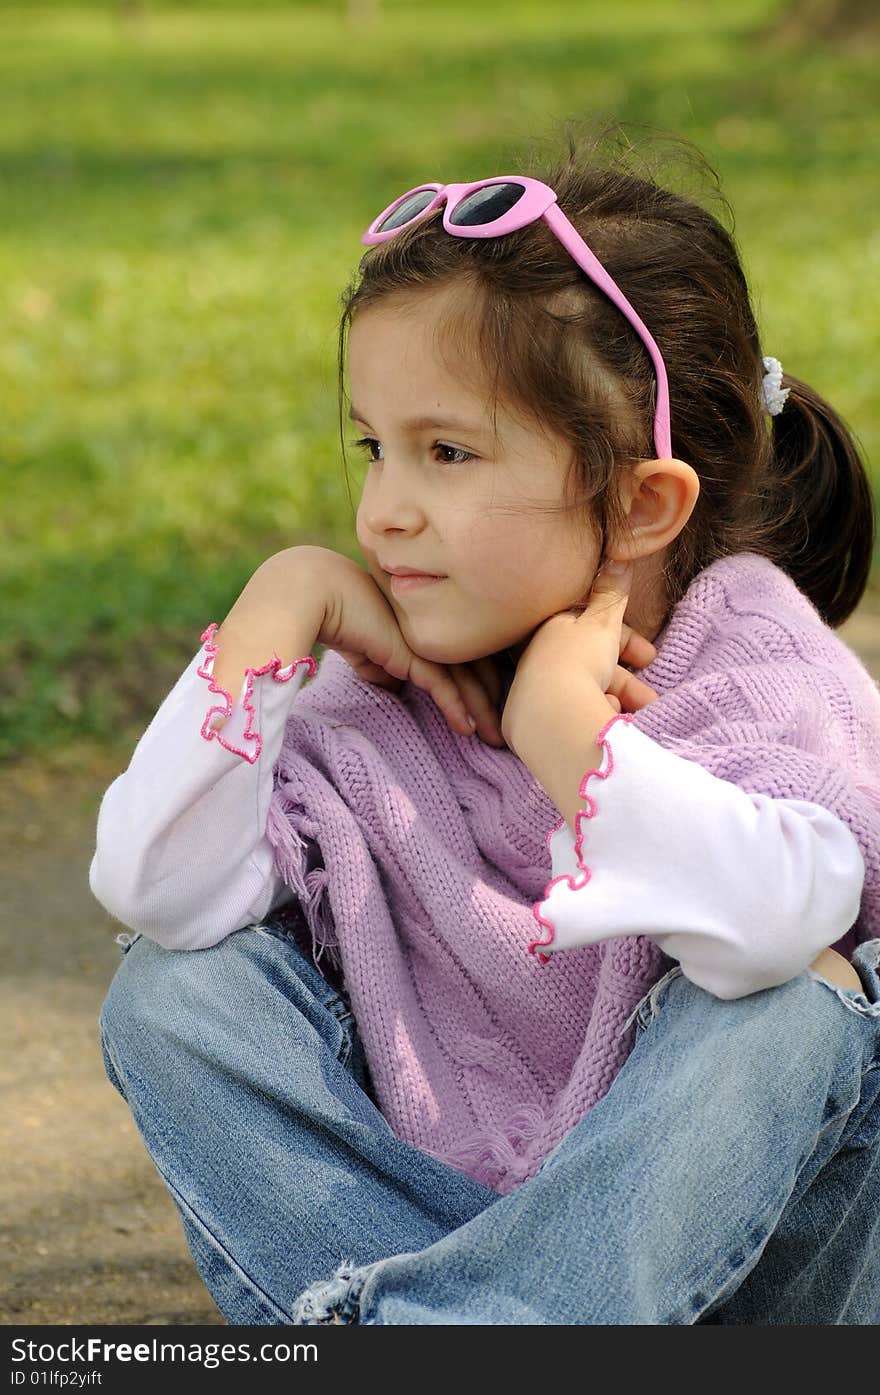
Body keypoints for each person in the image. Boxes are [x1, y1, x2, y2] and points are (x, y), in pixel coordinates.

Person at [92, 121, 880, 1325]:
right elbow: (160, 890)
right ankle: (469, 1321)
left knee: (795, 997)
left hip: (736, 1270)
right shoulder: (385, 688)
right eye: (374, 449)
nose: (383, 512)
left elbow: (782, 923)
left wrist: (571, 742)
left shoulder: (749, 656)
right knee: (173, 995)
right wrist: (276, 609)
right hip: (445, 1236)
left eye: (446, 452)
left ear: (640, 502)